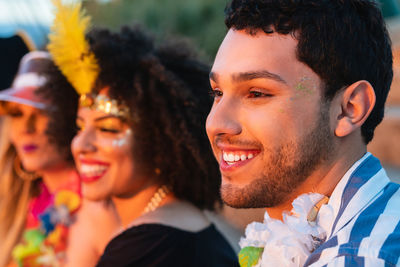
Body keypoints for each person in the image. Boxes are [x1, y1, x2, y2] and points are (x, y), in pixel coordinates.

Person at [206, 0, 400, 266]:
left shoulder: (363, 257)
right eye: (217, 93)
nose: (216, 123)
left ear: (349, 109)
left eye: (257, 93)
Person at [60, 24, 238, 266]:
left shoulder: (140, 250)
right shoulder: (187, 224)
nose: (81, 144)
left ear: (159, 143)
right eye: (80, 127)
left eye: (108, 129)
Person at [0, 51, 119, 267]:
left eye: (43, 113)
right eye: (17, 114)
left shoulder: (97, 211)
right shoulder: (20, 208)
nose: (27, 129)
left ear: (70, 120)